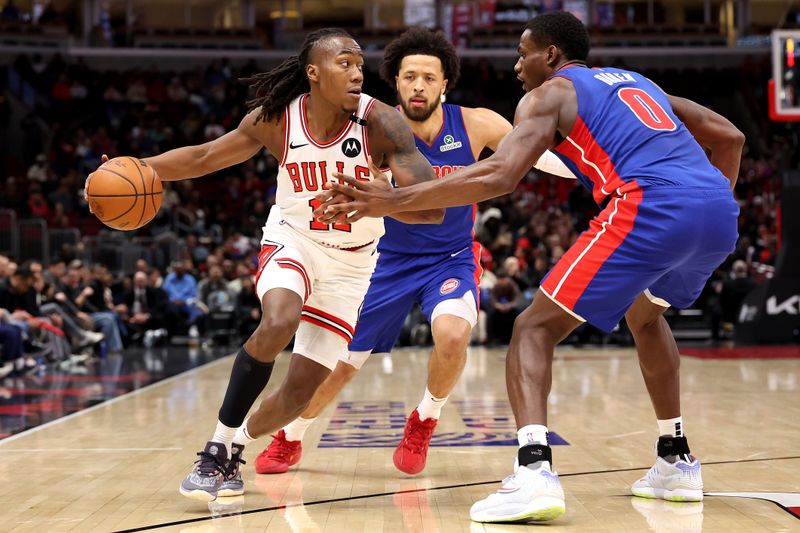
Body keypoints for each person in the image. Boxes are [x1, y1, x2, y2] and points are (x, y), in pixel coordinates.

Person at [316, 12, 743, 523]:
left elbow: (500, 174)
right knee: (646, 317)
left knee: (533, 328)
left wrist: (394, 198)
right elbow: (730, 137)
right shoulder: (639, 82)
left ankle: (534, 471)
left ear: (552, 55)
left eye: (524, 53)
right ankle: (675, 460)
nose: (518, 65)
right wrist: (706, 206)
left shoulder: (549, 94)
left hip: (649, 206)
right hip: (719, 212)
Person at [88, 28, 443, 502]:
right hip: (293, 239)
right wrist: (137, 165)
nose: (358, 72)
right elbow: (205, 156)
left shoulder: (382, 123)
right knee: (279, 319)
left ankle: (235, 445)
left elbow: (432, 210)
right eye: (344, 63)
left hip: (352, 267)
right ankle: (214, 448)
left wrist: (383, 201)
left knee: (298, 396)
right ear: (313, 72)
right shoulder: (276, 119)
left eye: (360, 63)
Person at [255, 26, 574, 477]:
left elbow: (540, 156)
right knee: (339, 367)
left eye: (429, 77)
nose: (418, 85)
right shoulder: (370, 125)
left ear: (445, 83)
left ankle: (425, 418)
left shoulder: (479, 123)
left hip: (450, 258)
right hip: (378, 261)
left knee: (452, 333)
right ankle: (292, 434)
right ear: (396, 82)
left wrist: (595, 171)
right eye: (409, 77)